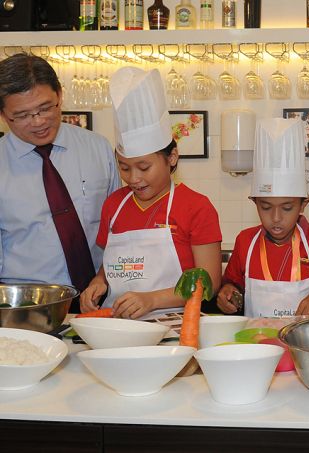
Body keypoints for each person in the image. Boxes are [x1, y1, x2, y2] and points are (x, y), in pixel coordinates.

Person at [79, 67, 221, 319]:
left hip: (175, 325)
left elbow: (209, 282)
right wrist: (99, 281)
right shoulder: (114, 204)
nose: (133, 178)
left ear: (172, 157)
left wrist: (152, 300)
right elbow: (112, 265)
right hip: (118, 324)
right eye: (124, 167)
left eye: (144, 167)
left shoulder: (196, 207)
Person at [0, 54, 119, 306]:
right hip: (25, 306)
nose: (38, 121)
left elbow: (119, 227)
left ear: (60, 95)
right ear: (3, 115)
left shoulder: (97, 149)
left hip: (99, 299)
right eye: (22, 115)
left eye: (45, 107)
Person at [217, 118, 309, 318]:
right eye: (265, 207)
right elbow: (232, 285)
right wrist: (227, 293)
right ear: (255, 203)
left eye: (287, 208)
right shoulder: (245, 241)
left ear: (302, 206)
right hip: (256, 344)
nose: (276, 218)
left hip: (304, 345)